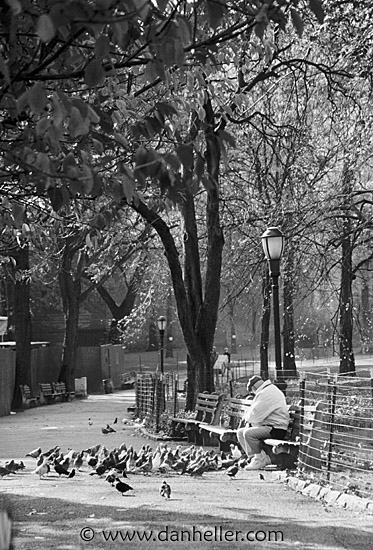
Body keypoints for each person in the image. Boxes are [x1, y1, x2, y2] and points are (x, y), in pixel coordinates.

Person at [236, 375, 289, 470]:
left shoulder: (266, 393)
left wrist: (247, 419)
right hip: (271, 426)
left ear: (254, 388)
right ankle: (254, 458)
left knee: (248, 433)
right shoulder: (268, 390)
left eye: (252, 391)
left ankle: (260, 460)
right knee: (240, 432)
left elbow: (254, 416)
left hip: (276, 429)